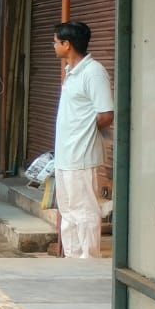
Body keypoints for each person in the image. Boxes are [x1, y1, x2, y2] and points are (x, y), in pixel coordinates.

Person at [51, 20, 113, 259]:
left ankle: (88, 262)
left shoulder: (93, 72)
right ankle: (72, 261)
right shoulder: (71, 71)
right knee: (67, 212)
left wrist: (83, 133)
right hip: (65, 155)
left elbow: (106, 114)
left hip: (81, 155)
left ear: (67, 44)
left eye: (56, 42)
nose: (53, 46)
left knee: (85, 210)